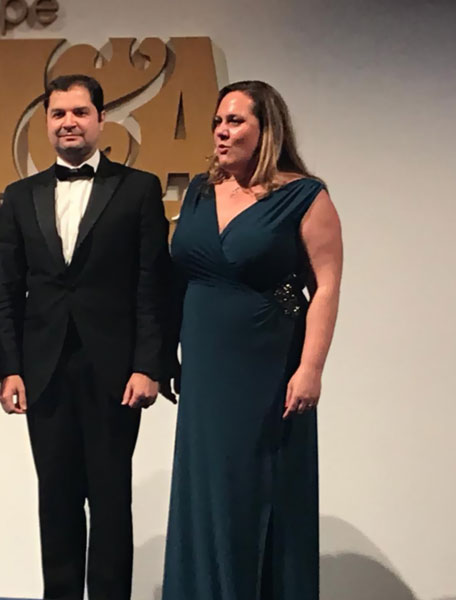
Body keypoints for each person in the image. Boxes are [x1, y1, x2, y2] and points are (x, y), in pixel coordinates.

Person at [162, 80, 343, 600]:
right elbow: (181, 278)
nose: (221, 131)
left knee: (252, 486)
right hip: (204, 365)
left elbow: (326, 286)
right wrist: (167, 351)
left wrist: (310, 369)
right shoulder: (200, 191)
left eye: (235, 121)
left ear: (267, 129)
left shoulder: (304, 195)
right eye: (218, 121)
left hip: (265, 364)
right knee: (206, 487)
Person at [0, 74, 170, 600]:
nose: (68, 122)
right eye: (58, 113)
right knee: (56, 502)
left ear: (101, 119)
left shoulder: (138, 189)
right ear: (46, 122)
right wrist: (9, 368)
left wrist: (149, 365)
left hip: (115, 372)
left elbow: (152, 285)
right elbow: (8, 291)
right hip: (44, 371)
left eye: (79, 112)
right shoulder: (18, 196)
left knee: (111, 502)